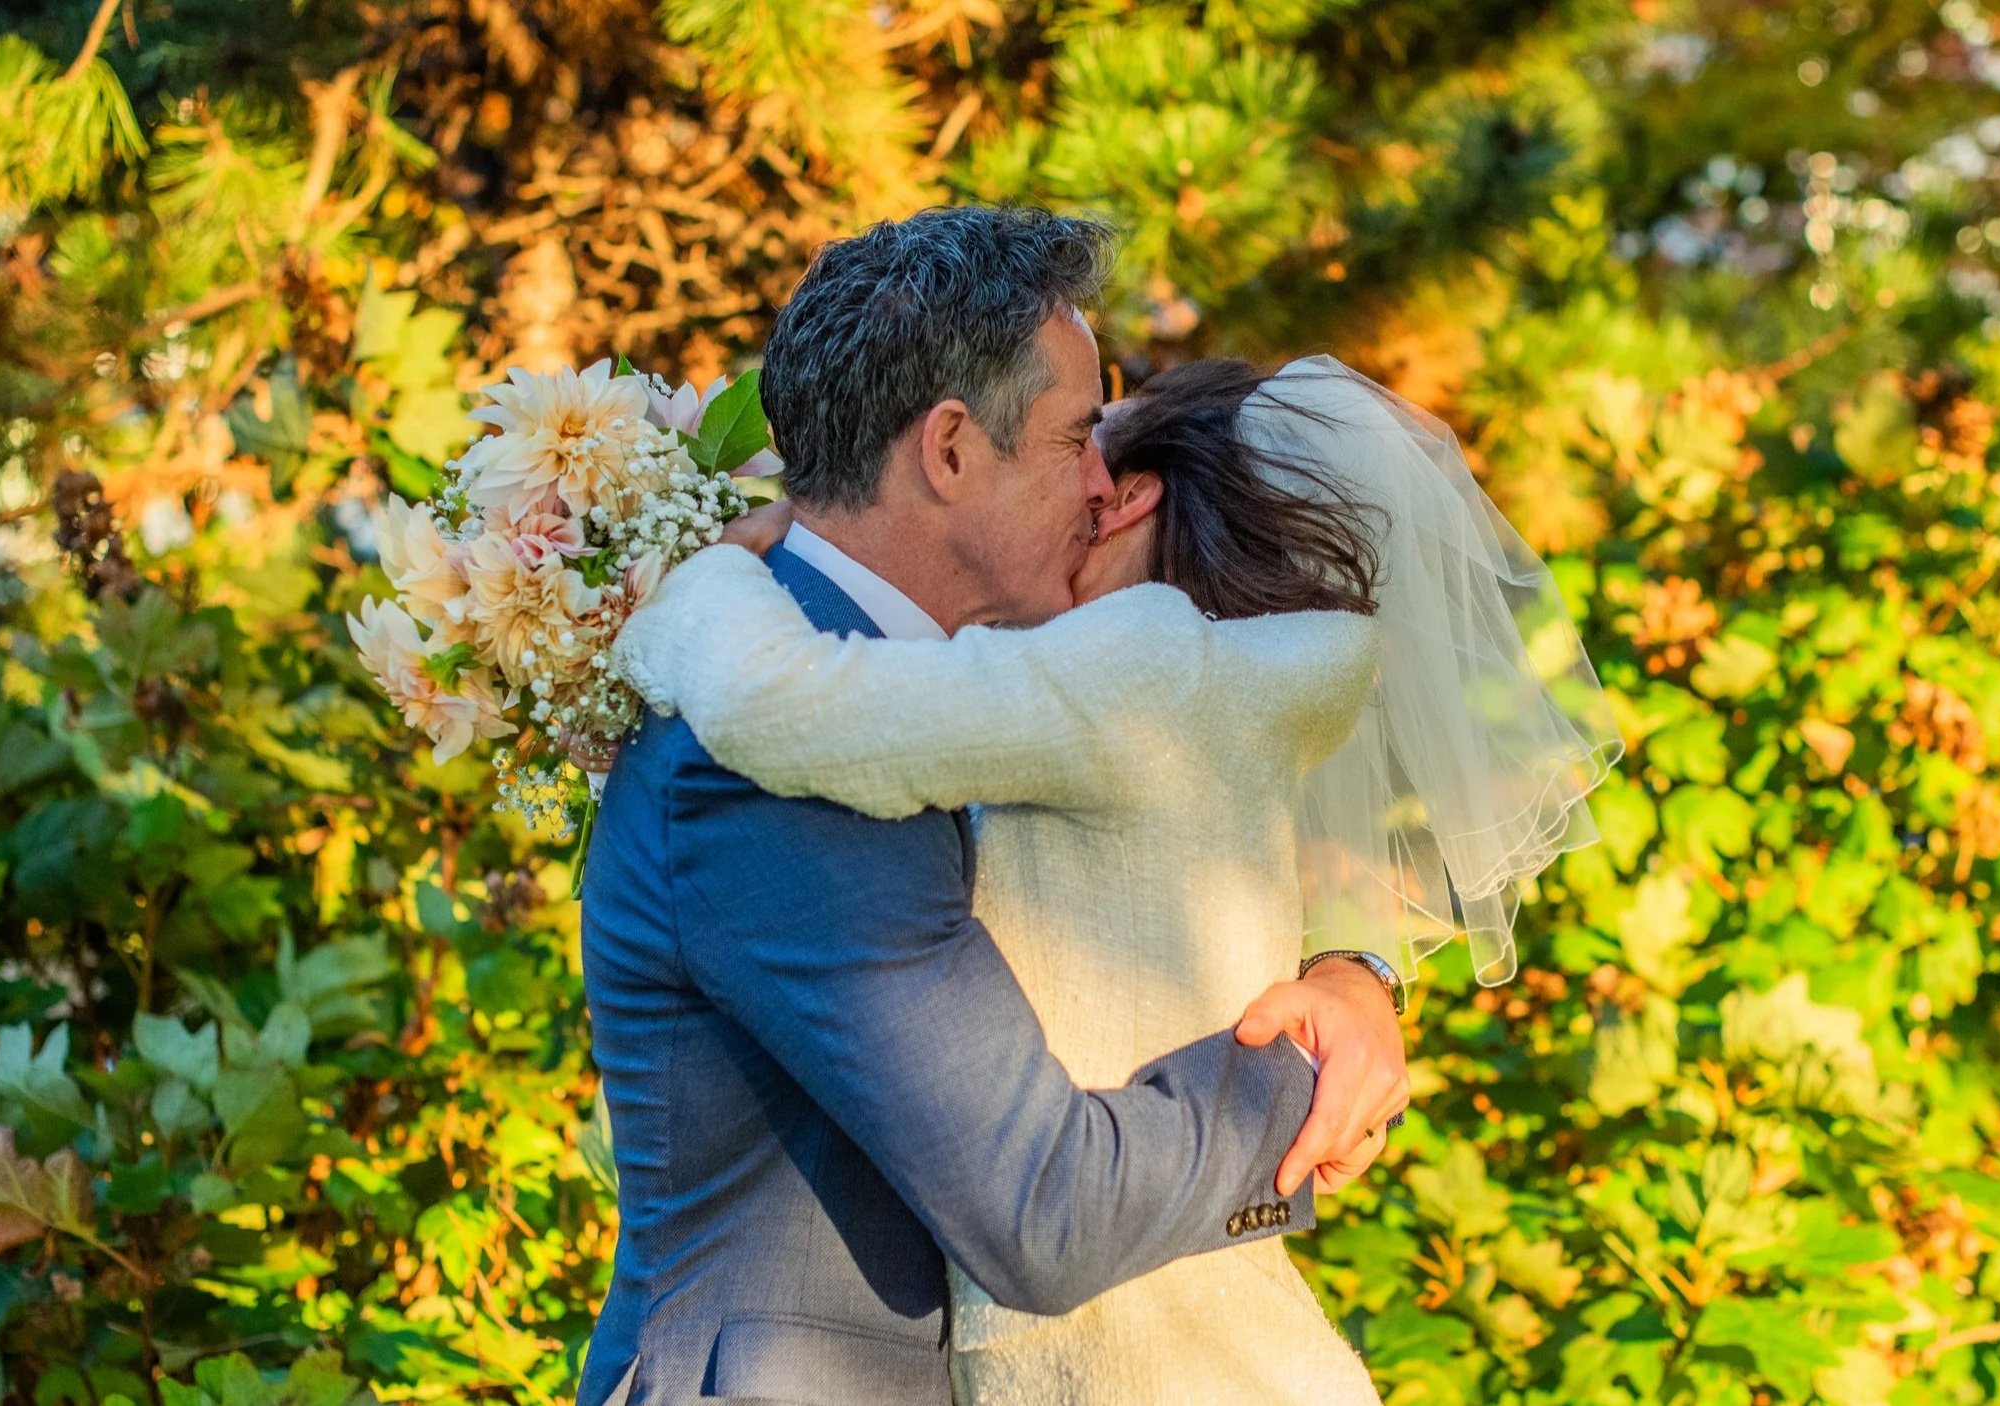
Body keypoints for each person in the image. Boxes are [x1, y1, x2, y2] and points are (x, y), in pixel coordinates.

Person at [619, 354, 1619, 1403]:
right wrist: (1355, 970)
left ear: (1128, 494)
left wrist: (717, 570)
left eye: (1079, 457)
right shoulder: (1251, 688)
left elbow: (790, 709)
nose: (1072, 489)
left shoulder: (1137, 665)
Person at [573, 208, 1413, 1406]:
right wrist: (1305, 1088)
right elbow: (1037, 1205)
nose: (1096, 483)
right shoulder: (769, 757)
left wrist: (1353, 973)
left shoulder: (946, 696)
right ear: (952, 449)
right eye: (1078, 436)